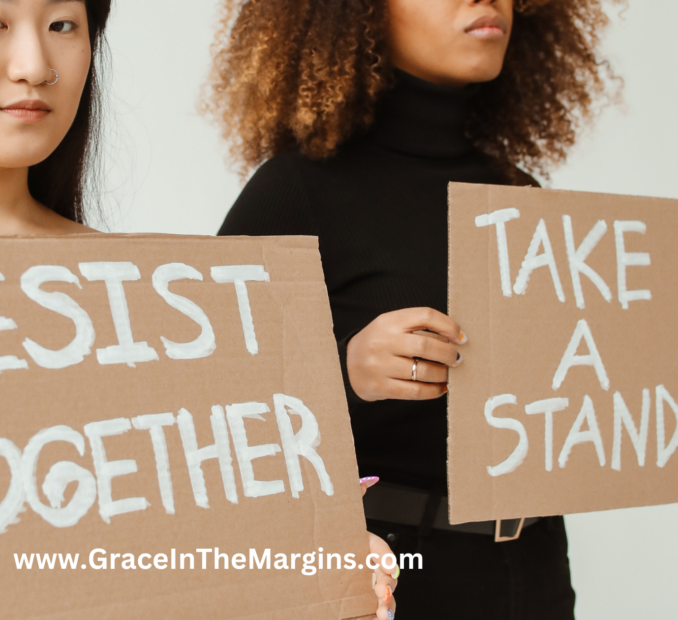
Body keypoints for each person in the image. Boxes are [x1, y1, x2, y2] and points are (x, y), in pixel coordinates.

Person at [0, 1, 397, 619]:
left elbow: (171, 553)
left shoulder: (139, 286)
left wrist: (317, 564)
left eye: (63, 24)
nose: (36, 64)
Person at [208, 0, 622, 618]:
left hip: (535, 571)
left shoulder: (521, 196)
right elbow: (204, 411)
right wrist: (344, 371)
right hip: (386, 581)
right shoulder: (296, 190)